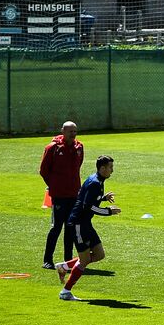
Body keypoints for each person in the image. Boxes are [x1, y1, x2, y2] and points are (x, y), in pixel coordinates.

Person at [54, 155, 121, 301]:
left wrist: (102, 198)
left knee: (99, 254)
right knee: (84, 260)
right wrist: (108, 211)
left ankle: (64, 267)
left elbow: (87, 198)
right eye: (110, 167)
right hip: (78, 224)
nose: (112, 170)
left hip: (85, 223)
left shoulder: (98, 180)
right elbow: (88, 206)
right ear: (102, 168)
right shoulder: (95, 183)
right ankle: (65, 291)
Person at [39, 120, 83, 269]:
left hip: (74, 195)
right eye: (70, 131)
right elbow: (43, 171)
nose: (73, 134)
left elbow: (78, 166)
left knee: (70, 227)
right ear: (63, 131)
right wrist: (54, 185)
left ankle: (68, 260)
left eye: (75, 131)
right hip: (59, 195)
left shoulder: (79, 147)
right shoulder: (52, 148)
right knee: (56, 227)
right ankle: (47, 259)